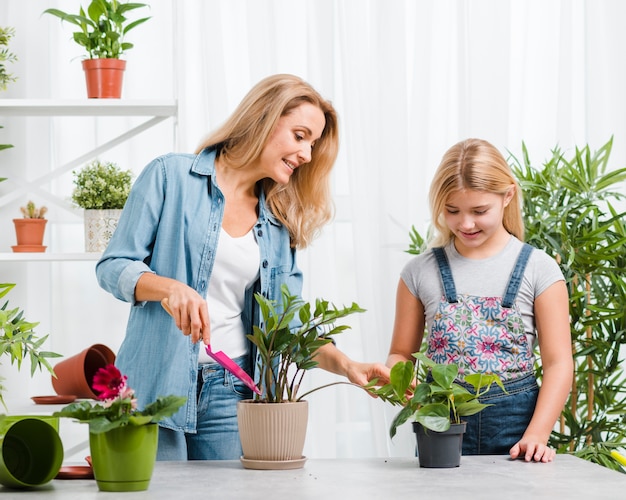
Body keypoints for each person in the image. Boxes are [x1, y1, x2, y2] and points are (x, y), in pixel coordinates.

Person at [96, 74, 390, 461]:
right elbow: (113, 266)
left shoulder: (278, 222)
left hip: (231, 390)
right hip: (154, 383)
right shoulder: (170, 176)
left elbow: (289, 325)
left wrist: (347, 365)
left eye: (313, 145)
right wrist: (168, 288)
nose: (306, 154)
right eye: (300, 136)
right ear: (264, 118)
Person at [386, 138, 573, 463]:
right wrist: (406, 385)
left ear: (508, 196)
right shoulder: (419, 272)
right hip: (441, 423)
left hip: (517, 430)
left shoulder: (538, 268)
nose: (465, 223)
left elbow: (558, 363)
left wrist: (537, 434)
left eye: (479, 211)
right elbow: (401, 353)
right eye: (452, 211)